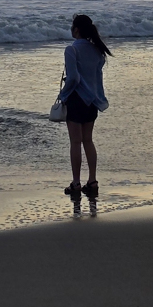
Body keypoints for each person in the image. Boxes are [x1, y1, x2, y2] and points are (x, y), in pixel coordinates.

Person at [58, 13, 111, 198]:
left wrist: (63, 95)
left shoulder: (71, 50)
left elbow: (73, 78)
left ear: (76, 29)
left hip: (76, 99)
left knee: (75, 142)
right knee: (88, 140)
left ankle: (76, 183)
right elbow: (96, 78)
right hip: (92, 101)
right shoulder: (97, 51)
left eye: (72, 27)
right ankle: (93, 181)